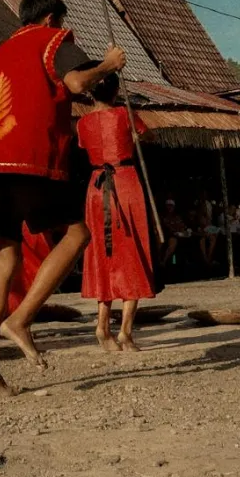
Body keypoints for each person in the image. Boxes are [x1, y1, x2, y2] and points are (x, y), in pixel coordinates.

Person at [0, 0, 125, 395]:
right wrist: (107, 65)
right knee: (78, 234)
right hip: (30, 159)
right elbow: (76, 83)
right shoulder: (55, 40)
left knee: (6, 258)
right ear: (53, 18)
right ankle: (20, 319)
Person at [77, 73, 158, 353]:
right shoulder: (125, 114)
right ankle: (124, 330)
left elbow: (86, 146)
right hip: (123, 182)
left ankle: (102, 325)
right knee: (131, 251)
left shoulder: (83, 122)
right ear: (115, 93)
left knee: (103, 253)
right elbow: (149, 136)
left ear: (90, 93)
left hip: (96, 188)